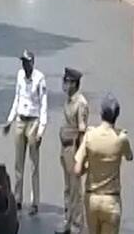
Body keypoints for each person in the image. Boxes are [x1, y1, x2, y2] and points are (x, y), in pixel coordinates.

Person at [74, 93, 133, 234]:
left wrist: (89, 165)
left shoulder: (90, 136)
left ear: (101, 113)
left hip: (92, 199)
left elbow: (77, 170)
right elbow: (129, 156)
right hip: (111, 200)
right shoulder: (121, 139)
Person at [3, 49, 47, 215]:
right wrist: (10, 120)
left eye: (27, 62)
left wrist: (41, 130)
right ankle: (18, 198)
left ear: (32, 63)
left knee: (34, 164)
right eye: (23, 62)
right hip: (20, 120)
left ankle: (35, 202)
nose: (24, 65)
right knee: (18, 163)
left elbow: (44, 105)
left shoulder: (39, 79)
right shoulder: (20, 75)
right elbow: (17, 98)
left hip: (33, 122)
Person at [56, 68, 89, 234]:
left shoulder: (80, 103)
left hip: (74, 149)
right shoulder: (69, 100)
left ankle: (77, 224)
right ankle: (67, 221)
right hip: (65, 148)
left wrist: (80, 158)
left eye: (68, 81)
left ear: (74, 84)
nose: (65, 84)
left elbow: (82, 131)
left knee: (76, 190)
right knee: (68, 188)